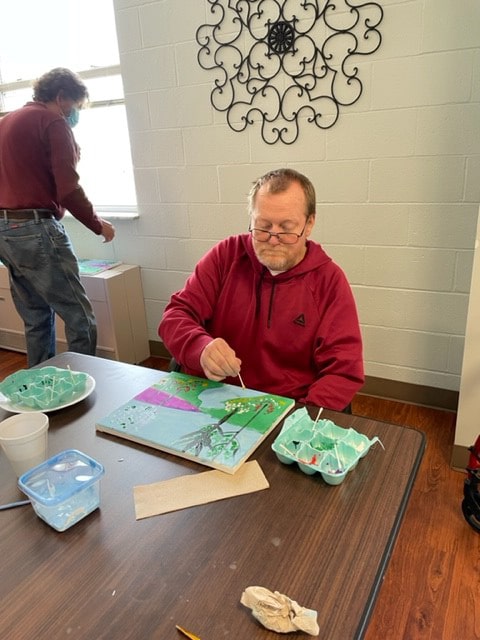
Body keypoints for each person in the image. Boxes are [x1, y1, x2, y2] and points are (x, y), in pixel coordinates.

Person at [159, 168, 364, 411]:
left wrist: (301, 421)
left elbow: (342, 371)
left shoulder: (328, 281)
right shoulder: (226, 256)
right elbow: (175, 316)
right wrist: (200, 348)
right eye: (263, 226)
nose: (273, 239)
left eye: (286, 228)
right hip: (213, 397)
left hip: (289, 409)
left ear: (309, 224)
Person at [0, 67, 115, 367]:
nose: (74, 113)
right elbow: (68, 189)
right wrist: (98, 224)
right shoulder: (53, 121)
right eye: (75, 106)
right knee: (80, 316)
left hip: (5, 233)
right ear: (62, 96)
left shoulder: (6, 122)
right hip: (35, 228)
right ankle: (84, 382)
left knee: (36, 317)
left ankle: (42, 387)